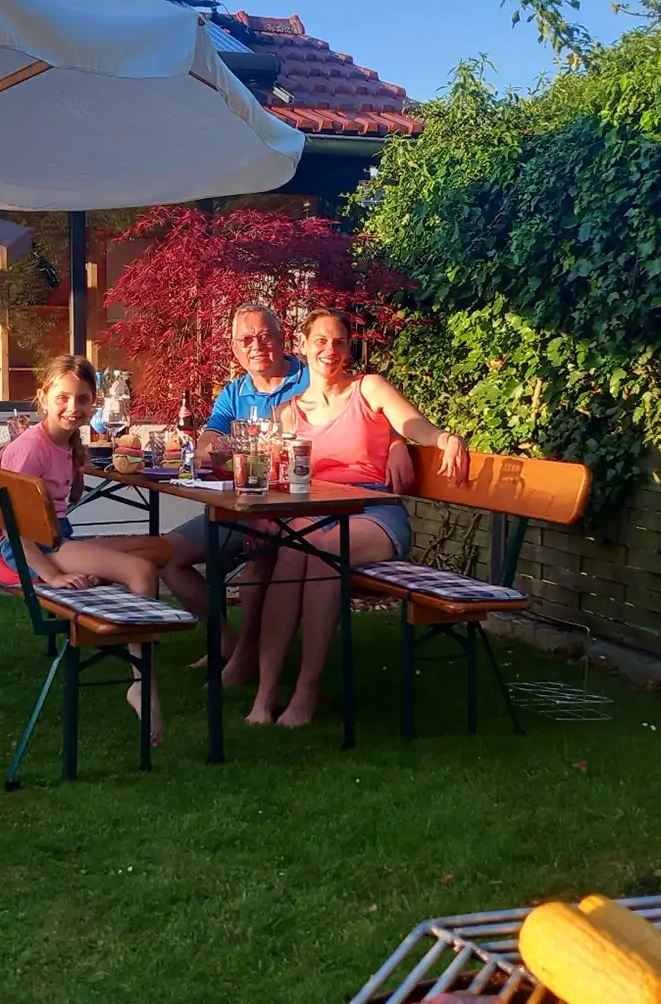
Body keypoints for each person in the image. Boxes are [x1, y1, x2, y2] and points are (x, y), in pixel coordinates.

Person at [248, 309, 468, 729]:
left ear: (349, 347)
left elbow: (411, 421)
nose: (330, 350)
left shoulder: (368, 389)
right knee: (294, 554)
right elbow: (275, 475)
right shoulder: (288, 414)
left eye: (339, 342)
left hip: (373, 512)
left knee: (324, 552)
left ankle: (306, 692)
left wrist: (440, 438)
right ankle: (265, 693)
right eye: (321, 341)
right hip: (312, 511)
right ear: (303, 344)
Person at [0, 354, 171, 740]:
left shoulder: (71, 445)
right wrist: (53, 574)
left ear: (94, 403)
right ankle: (142, 683)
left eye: (83, 399)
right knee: (142, 571)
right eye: (63, 398)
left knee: (162, 549)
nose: (73, 407)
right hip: (34, 545)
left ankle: (132, 625)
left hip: (58, 536)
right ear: (43, 397)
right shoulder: (29, 449)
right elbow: (11, 528)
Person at [160, 304, 310, 683]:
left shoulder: (309, 382)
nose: (257, 345)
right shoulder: (235, 390)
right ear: (234, 348)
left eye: (265, 336)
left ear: (281, 338)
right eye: (247, 339)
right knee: (167, 556)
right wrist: (234, 444)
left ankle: (245, 659)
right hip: (243, 506)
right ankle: (225, 640)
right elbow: (209, 441)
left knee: (260, 561)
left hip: (297, 511)